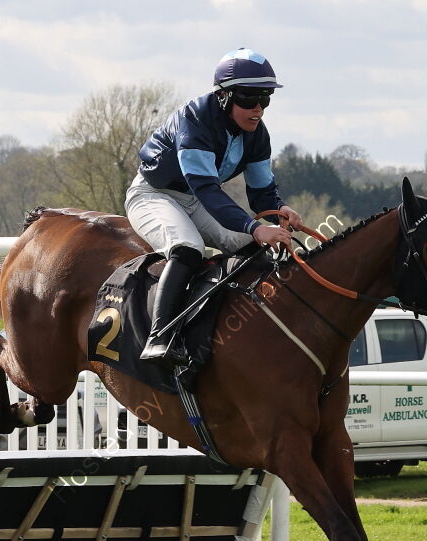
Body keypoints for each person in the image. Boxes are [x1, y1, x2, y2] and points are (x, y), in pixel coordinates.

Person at [125, 47, 302, 366]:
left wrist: (279, 210)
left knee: (252, 244)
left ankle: (241, 325)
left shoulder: (257, 135)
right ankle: (160, 337)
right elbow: (208, 190)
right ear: (224, 96)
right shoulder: (195, 120)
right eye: (249, 98)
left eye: (265, 99)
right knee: (188, 247)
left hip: (194, 198)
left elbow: (262, 193)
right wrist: (257, 227)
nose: (258, 109)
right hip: (153, 194)